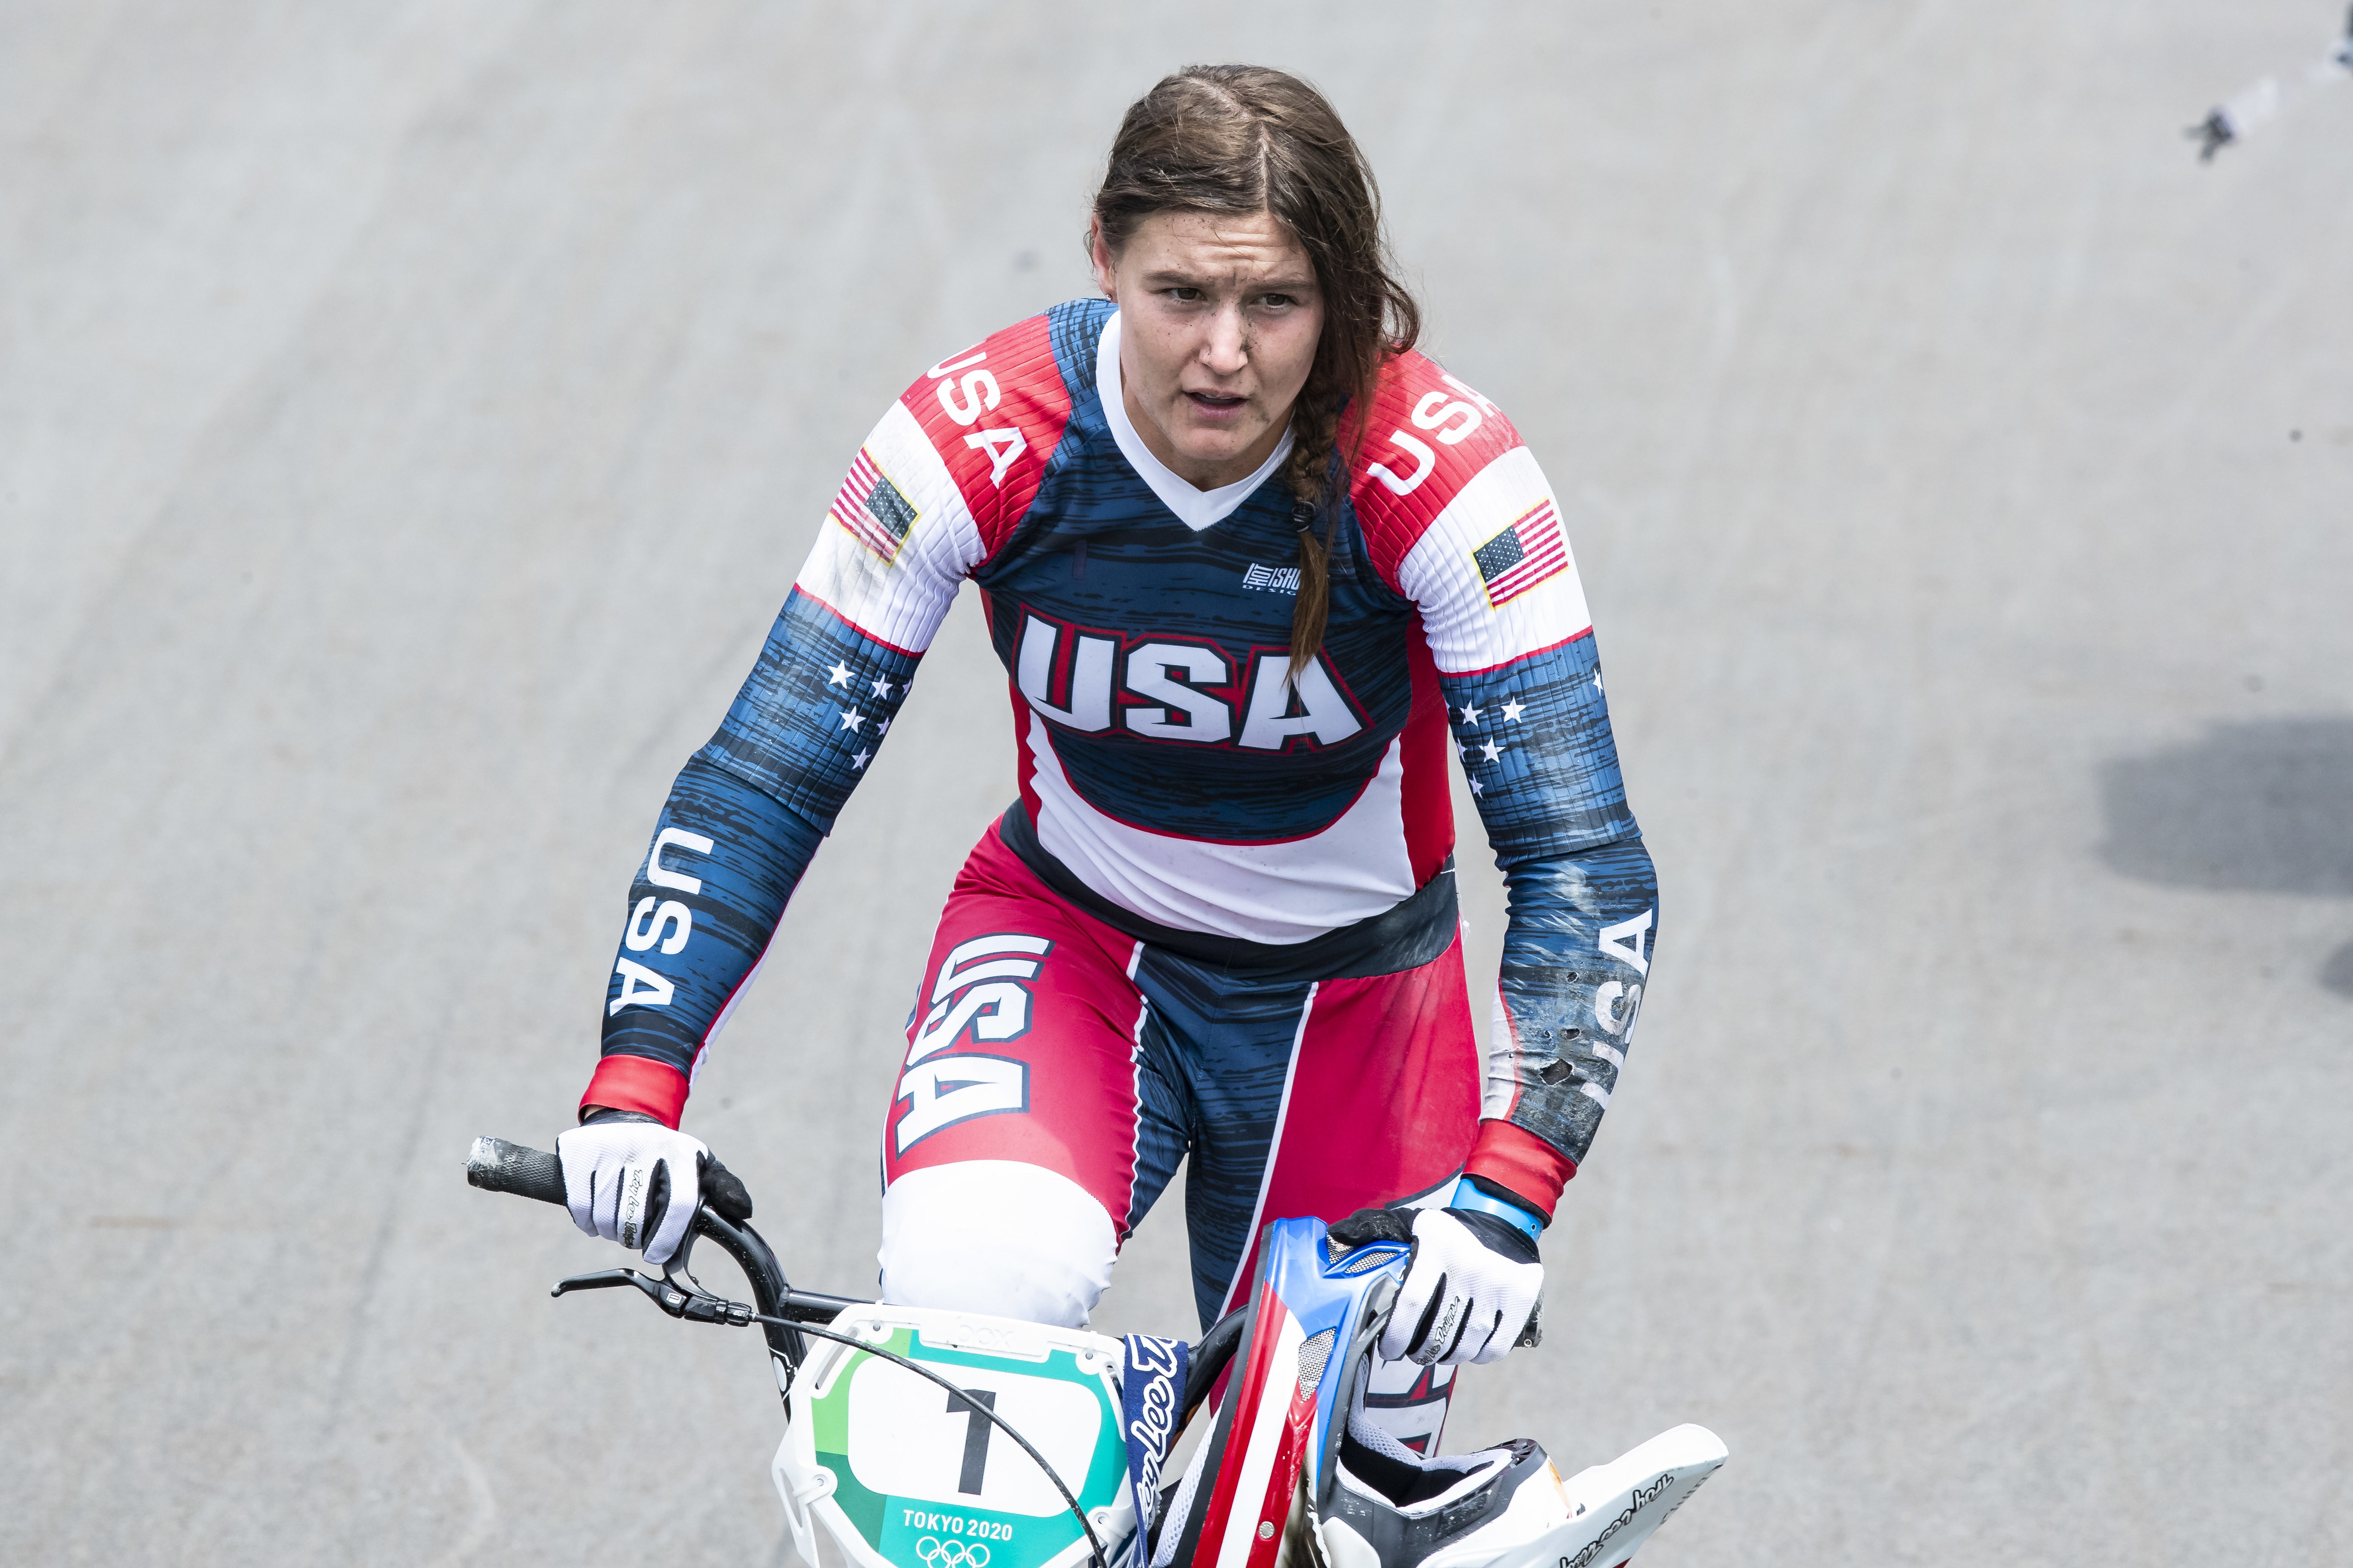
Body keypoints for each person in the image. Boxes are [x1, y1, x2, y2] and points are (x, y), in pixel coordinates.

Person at [555, 64, 1656, 1456]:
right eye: (1179, 295)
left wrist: (1510, 1185)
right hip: (1073, 953)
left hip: (1356, 1013)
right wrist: (637, 1080)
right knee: (970, 1306)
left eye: (1276, 304)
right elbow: (772, 769)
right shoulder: (976, 433)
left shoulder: (1443, 478)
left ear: (1343, 301)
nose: (1224, 352)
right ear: (1103, 259)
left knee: (1320, 1482)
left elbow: (1578, 858)